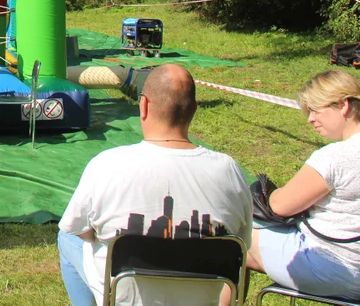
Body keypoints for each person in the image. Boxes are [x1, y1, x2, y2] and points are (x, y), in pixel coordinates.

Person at [57, 64, 252, 306]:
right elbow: (240, 251)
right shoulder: (230, 171)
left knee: (66, 238)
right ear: (193, 110)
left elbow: (79, 230)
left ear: (144, 106)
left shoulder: (106, 165)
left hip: (123, 296)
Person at [246, 70, 360, 301]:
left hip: (332, 270)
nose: (310, 119)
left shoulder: (336, 157)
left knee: (234, 237)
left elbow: (279, 206)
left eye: (315, 109)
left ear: (343, 106)